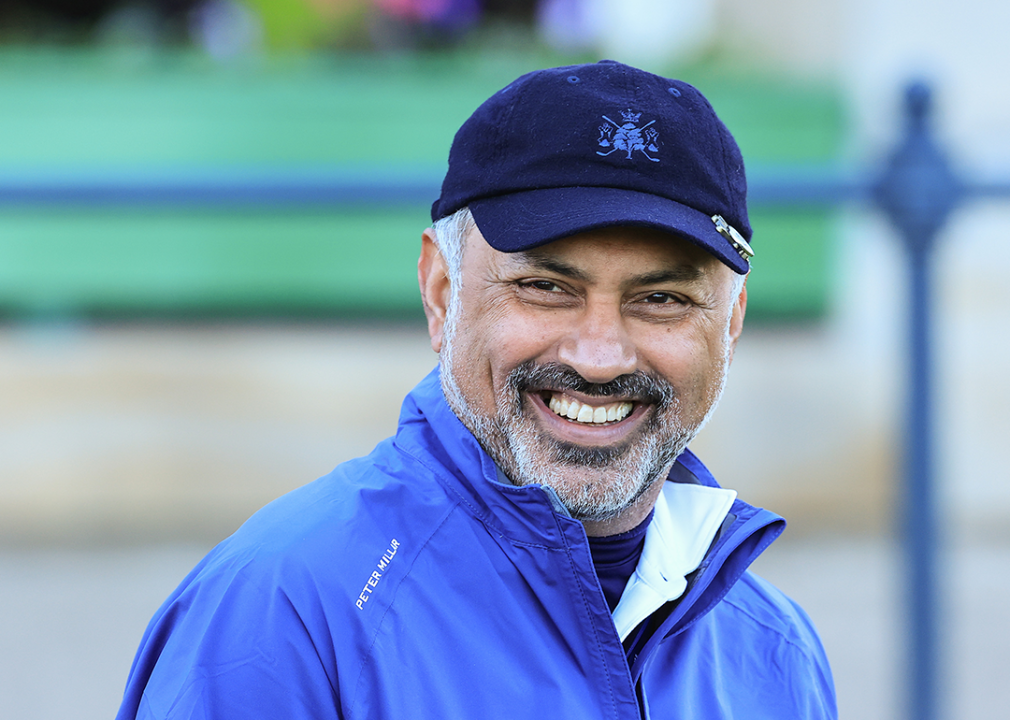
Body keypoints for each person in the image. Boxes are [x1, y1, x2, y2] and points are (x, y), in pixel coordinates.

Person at [117, 60, 836, 719]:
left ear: (731, 322)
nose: (598, 357)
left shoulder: (776, 655)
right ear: (441, 291)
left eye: (662, 299)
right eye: (546, 287)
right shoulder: (283, 618)